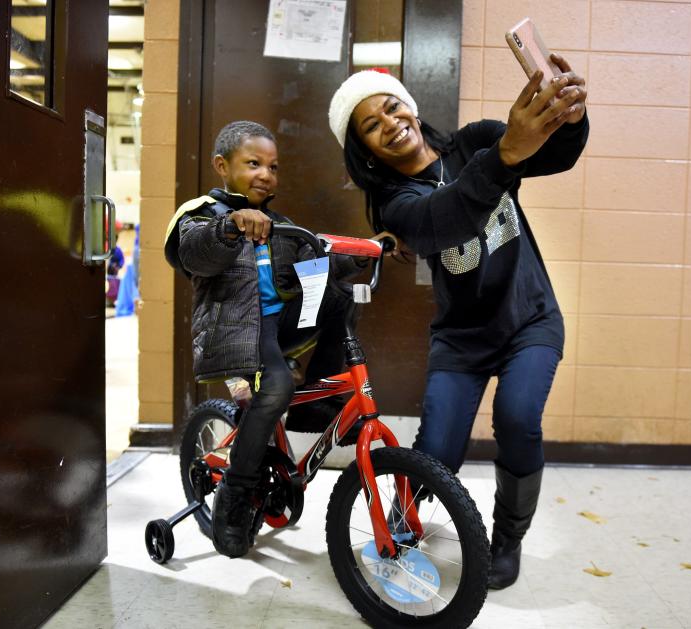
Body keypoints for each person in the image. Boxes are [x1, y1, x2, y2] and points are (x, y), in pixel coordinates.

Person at [328, 61, 588, 589]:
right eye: (372, 126)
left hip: (529, 319)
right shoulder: (395, 204)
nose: (390, 123)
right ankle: (399, 524)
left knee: (517, 419)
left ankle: (507, 540)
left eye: (392, 106)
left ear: (411, 106)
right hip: (462, 339)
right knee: (439, 448)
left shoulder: (477, 143)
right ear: (367, 151)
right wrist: (506, 156)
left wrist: (572, 117)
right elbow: (442, 220)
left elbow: (557, 154)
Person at [164, 121, 364, 558]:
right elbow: (194, 252)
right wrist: (230, 226)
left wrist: (361, 255)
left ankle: (322, 404)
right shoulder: (202, 213)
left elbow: (315, 264)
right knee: (275, 385)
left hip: (279, 327)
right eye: (253, 163)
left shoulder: (281, 226)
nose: (265, 175)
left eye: (272, 167)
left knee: (340, 296)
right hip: (237, 330)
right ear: (222, 166)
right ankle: (236, 495)